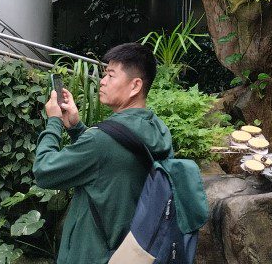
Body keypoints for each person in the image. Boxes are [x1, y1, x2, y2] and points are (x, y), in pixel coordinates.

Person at [34, 43, 173, 264]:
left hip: (92, 254)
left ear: (135, 86)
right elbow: (113, 167)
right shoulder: (157, 129)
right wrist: (76, 127)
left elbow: (44, 171)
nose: (102, 81)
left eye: (110, 75)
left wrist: (53, 122)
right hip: (130, 253)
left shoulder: (101, 141)